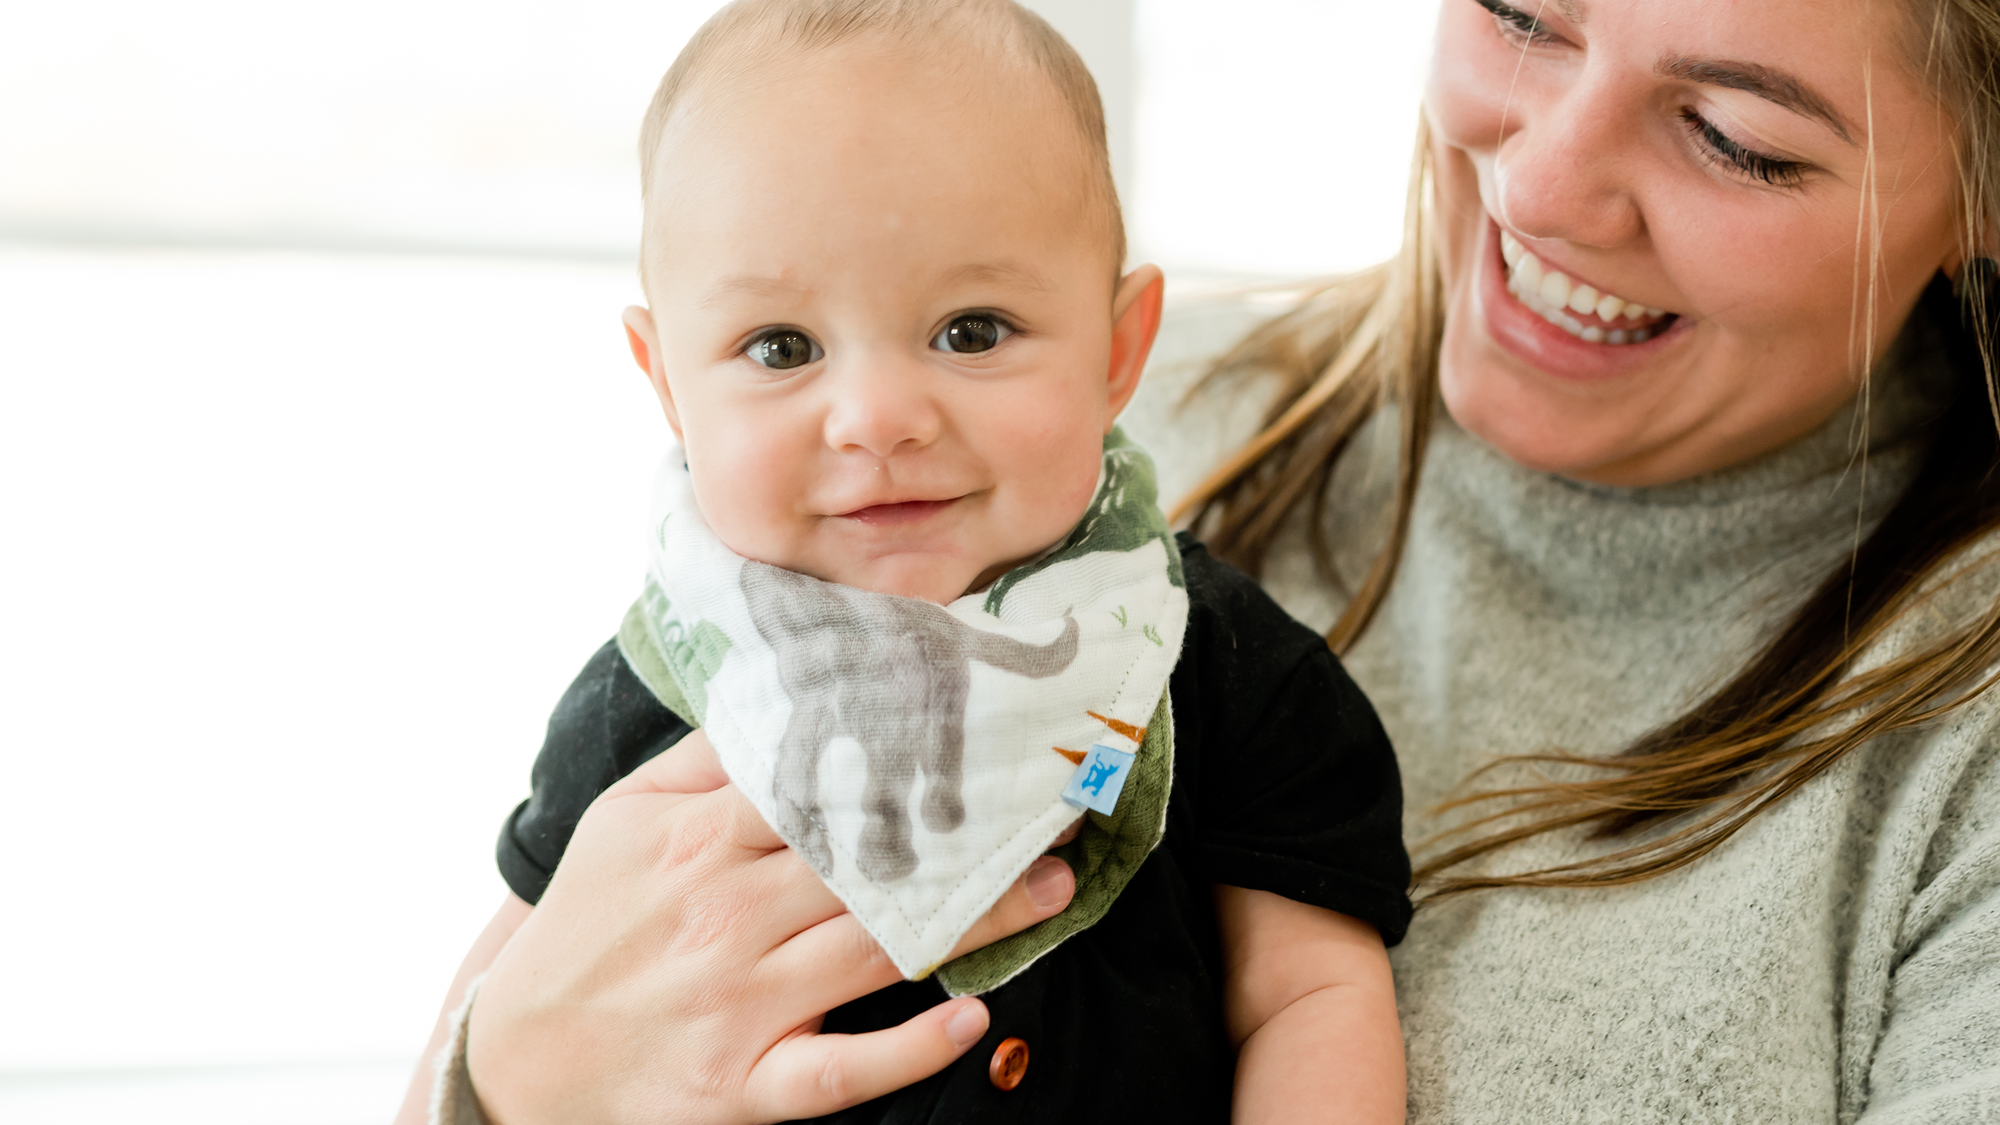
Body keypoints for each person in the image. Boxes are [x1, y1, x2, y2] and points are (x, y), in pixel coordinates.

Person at [399, 0, 2000, 1121]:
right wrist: (507, 1081)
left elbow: (1302, 993)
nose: (1542, 183)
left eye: (1735, 137)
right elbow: (491, 1032)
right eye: (1523, 11)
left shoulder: (1151, 588)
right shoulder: (1011, 459)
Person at [395, 2, 1413, 1123]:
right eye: (780, 348)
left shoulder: (1207, 660)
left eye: (970, 330)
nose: (875, 419)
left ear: (1119, 350)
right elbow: (494, 1028)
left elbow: (1306, 994)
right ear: (668, 385)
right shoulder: (665, 683)